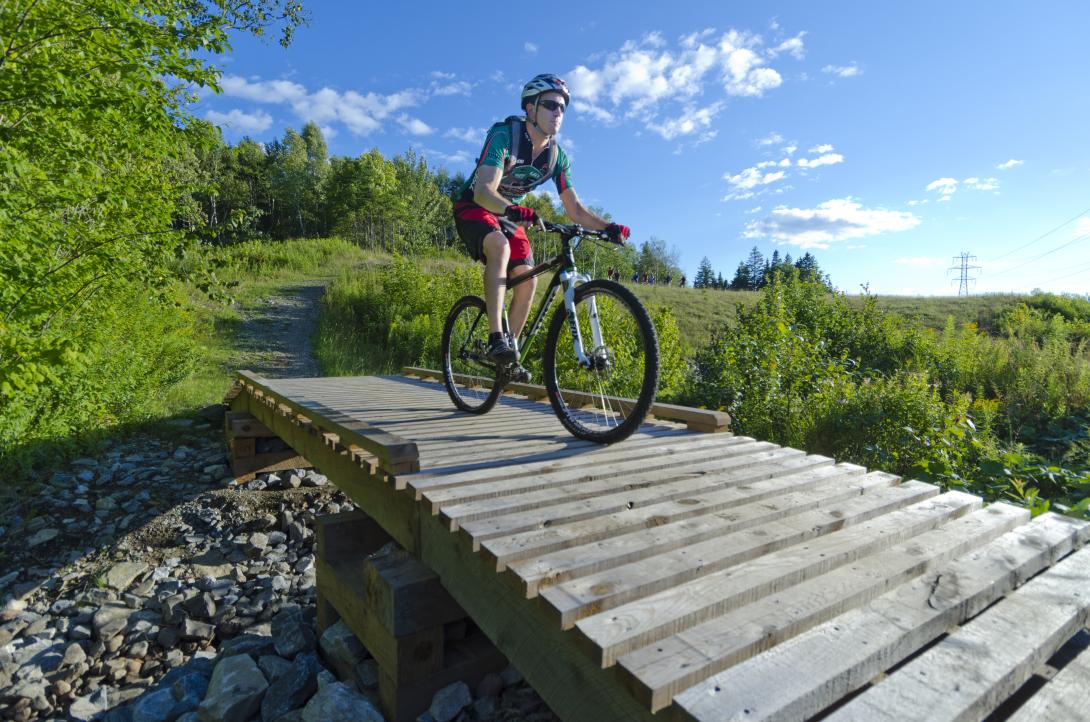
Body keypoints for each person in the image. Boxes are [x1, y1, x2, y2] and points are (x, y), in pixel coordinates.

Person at [452, 74, 630, 364]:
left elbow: (575, 210)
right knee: (500, 246)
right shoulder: (504, 136)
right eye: (550, 105)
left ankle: (510, 354)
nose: (557, 113)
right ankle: (497, 337)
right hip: (475, 207)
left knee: (527, 280)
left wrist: (608, 227)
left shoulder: (556, 157)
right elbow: (484, 191)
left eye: (562, 108)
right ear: (530, 109)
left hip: (509, 215)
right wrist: (512, 209)